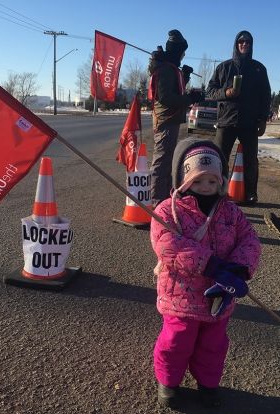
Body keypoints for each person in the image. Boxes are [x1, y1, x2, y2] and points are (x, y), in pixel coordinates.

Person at [150, 137, 261, 409]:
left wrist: (238, 268)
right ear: (183, 180)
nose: (206, 188)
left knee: (214, 345)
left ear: (221, 181)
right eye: (197, 181)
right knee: (176, 341)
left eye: (212, 181)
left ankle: (208, 383)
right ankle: (169, 381)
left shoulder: (231, 212)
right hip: (181, 297)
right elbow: (168, 244)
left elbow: (250, 241)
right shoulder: (168, 211)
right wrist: (209, 264)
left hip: (218, 297)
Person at [206, 30, 271, 205]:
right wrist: (226, 92)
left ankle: (251, 193)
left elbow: (266, 96)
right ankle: (218, 192)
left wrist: (263, 119)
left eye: (247, 42)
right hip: (226, 121)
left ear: (251, 45)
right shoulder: (224, 67)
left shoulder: (259, 68)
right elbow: (210, 92)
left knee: (251, 160)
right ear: (236, 44)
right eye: (241, 41)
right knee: (219, 158)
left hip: (249, 123)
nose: (244, 44)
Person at [148, 29, 204, 208]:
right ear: (176, 51)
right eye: (182, 52)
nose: (183, 55)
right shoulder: (165, 69)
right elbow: (166, 97)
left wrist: (185, 76)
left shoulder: (171, 68)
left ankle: (163, 199)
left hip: (170, 120)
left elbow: (175, 90)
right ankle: (157, 202)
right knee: (162, 162)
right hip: (165, 119)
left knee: (167, 161)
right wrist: (190, 99)